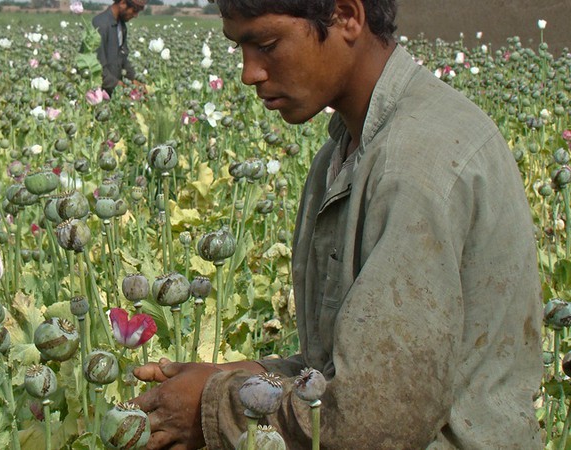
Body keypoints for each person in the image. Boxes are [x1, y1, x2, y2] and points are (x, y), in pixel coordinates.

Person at [132, 0, 543, 449]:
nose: (249, 73)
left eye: (267, 44)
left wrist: (214, 407)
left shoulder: (412, 167)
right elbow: (334, 373)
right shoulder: (343, 153)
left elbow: (376, 423)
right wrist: (244, 376)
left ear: (348, 16)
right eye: (240, 49)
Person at [92, 0, 146, 97]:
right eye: (134, 10)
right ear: (122, 3)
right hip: (98, 95)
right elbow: (97, 69)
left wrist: (134, 80)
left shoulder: (121, 26)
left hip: (113, 93)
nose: (136, 15)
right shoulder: (100, 25)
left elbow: (123, 59)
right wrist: (124, 87)